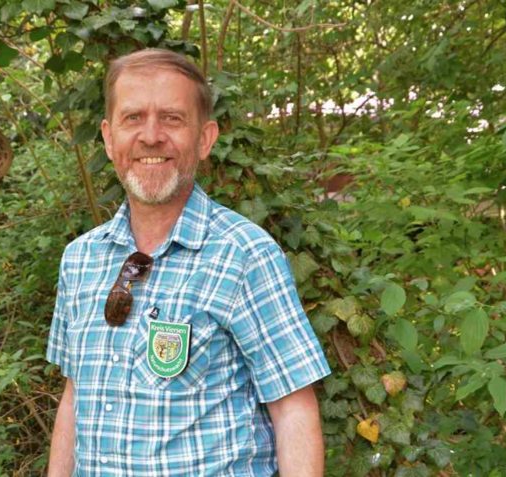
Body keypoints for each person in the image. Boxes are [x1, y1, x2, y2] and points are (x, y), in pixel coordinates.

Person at [46, 48, 331, 477]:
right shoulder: (80, 260)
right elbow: (74, 396)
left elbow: (293, 409)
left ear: (205, 139)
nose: (151, 136)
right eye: (133, 118)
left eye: (172, 118)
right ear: (108, 137)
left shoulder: (244, 254)